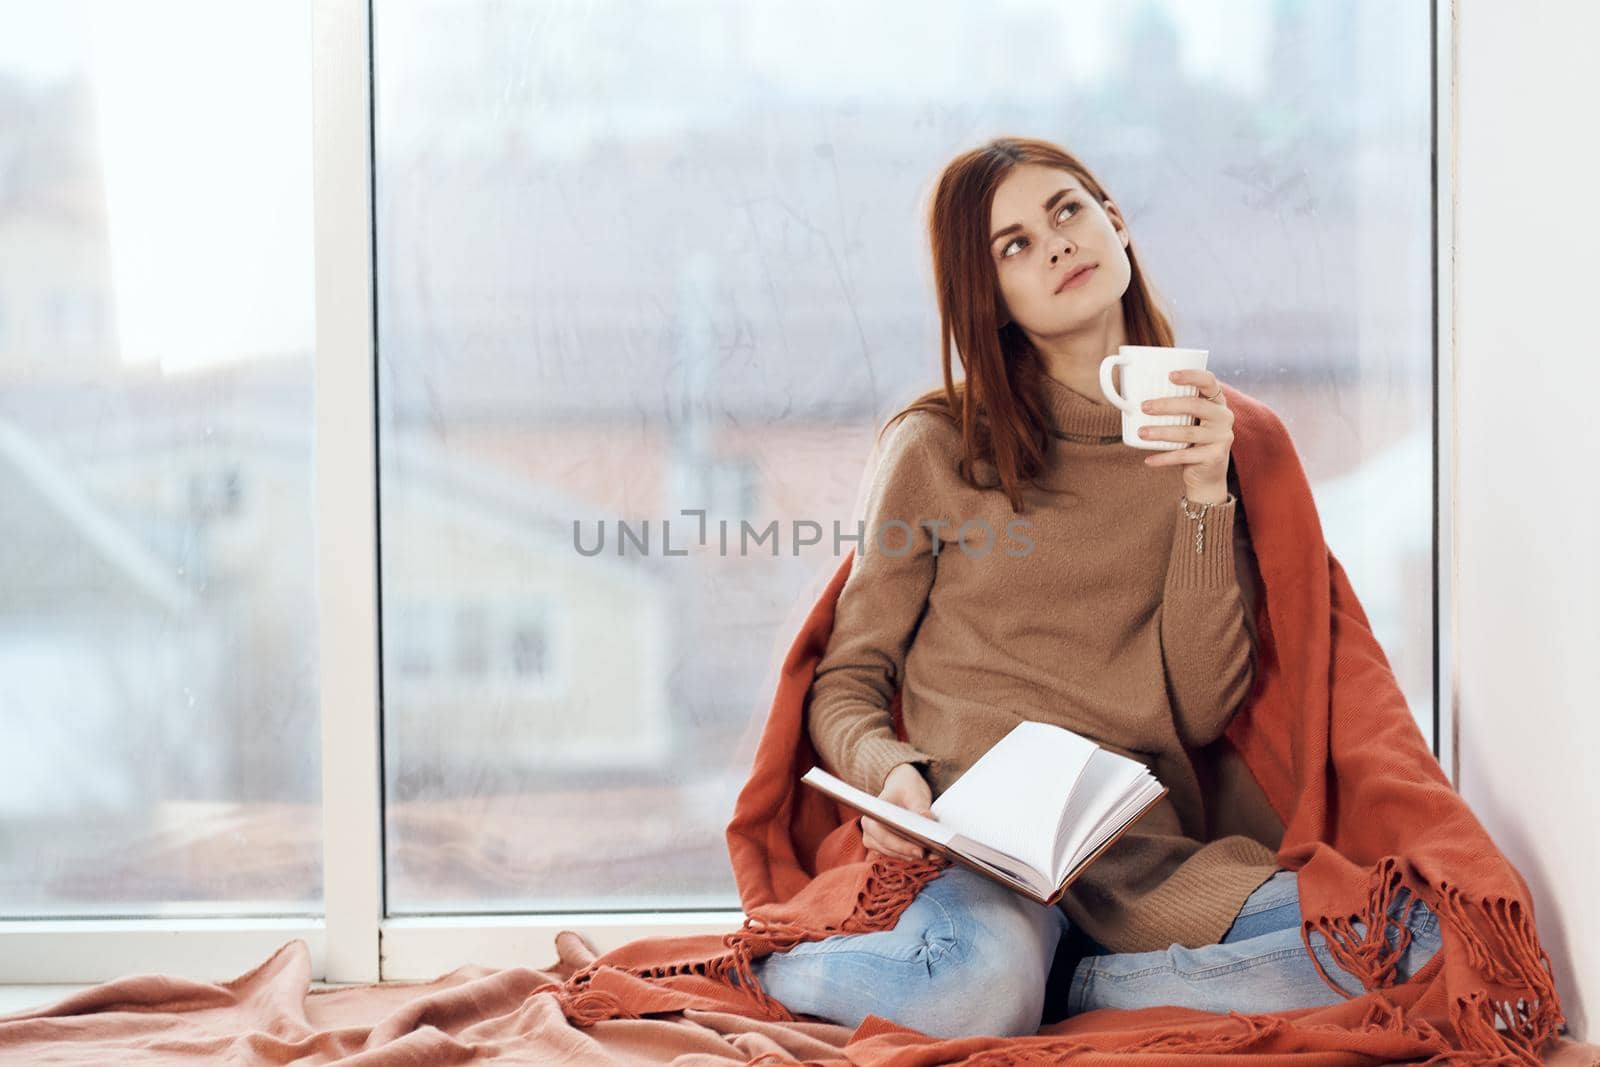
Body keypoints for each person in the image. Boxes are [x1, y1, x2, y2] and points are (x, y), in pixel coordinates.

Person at [735, 137, 1443, 1038]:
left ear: (1115, 221)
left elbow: (1199, 704)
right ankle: (780, 966)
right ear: (989, 298)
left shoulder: (1213, 439)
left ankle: (1079, 988)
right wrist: (895, 777)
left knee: (1412, 939)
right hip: (981, 855)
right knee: (976, 990)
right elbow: (845, 681)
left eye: (1067, 211)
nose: (1058, 244)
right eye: (1015, 245)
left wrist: (1200, 494)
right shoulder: (936, 446)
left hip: (1142, 857)